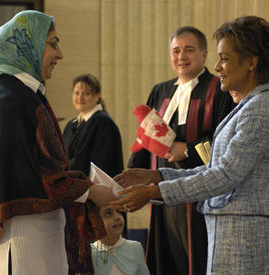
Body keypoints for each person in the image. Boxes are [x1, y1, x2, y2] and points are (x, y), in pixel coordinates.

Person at [112, 15, 269, 275]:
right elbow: (215, 168)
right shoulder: (249, 106)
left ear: (252, 62)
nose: (218, 66)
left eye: (225, 58)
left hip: (245, 236)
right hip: (230, 230)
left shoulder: (259, 108)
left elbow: (224, 174)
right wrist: (156, 174)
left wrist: (155, 192)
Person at [0, 10, 116, 275]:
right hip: (24, 238)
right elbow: (27, 173)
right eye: (53, 43)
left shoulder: (18, 93)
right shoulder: (12, 100)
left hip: (40, 235)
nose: (60, 54)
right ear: (28, 43)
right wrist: (89, 191)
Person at [128, 26, 235, 275]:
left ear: (204, 54)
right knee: (165, 256)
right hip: (160, 192)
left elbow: (223, 141)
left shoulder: (217, 89)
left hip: (198, 192)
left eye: (189, 50)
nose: (181, 56)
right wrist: (134, 173)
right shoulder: (160, 90)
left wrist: (186, 150)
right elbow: (144, 137)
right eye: (176, 51)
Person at [63, 73, 123, 178]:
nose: (80, 97)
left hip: (94, 190)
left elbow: (103, 166)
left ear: (97, 95)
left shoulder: (104, 123)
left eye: (86, 93)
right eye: (76, 93)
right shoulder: (71, 125)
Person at [91, 205, 150, 275]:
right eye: (108, 214)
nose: (117, 217)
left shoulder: (135, 248)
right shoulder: (88, 253)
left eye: (119, 212)